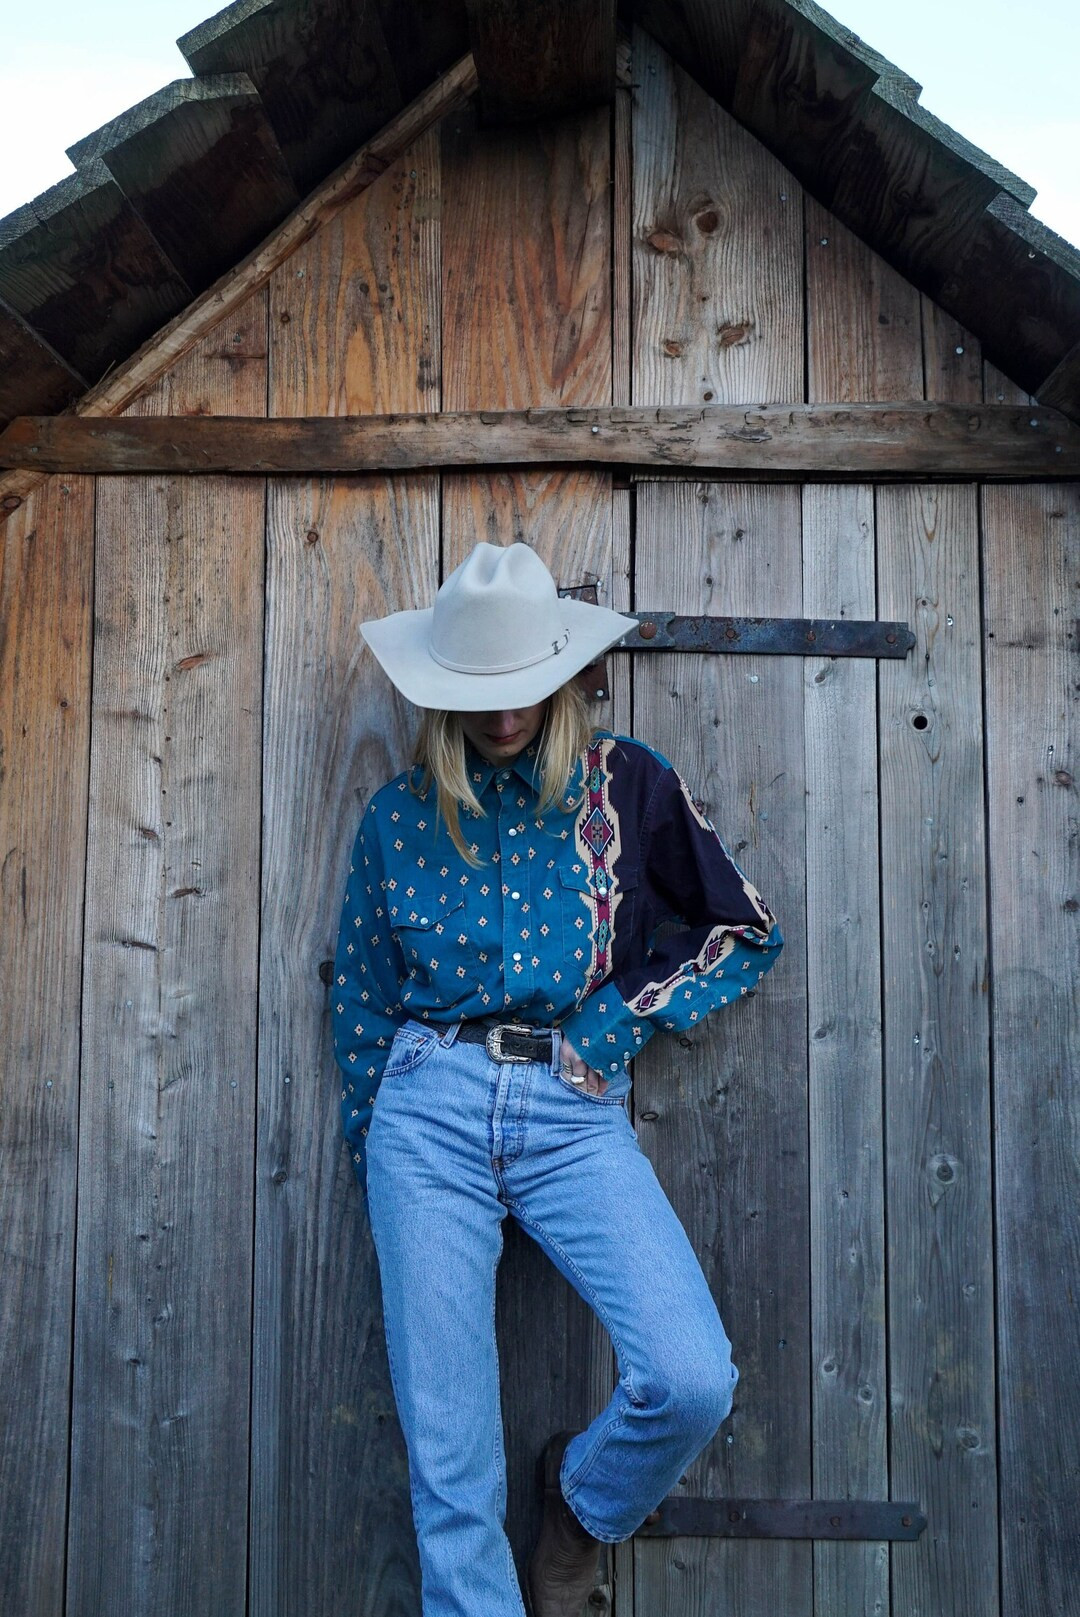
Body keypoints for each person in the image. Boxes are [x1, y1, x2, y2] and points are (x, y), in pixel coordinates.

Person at [331, 541, 784, 1617]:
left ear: (563, 672)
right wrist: (378, 1138)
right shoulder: (397, 819)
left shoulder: (631, 784)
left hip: (572, 1112)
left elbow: (746, 930)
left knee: (689, 1378)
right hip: (424, 1115)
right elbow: (358, 997)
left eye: (524, 692)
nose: (503, 721)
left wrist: (615, 1021)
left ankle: (580, 1510)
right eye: (479, 699)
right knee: (452, 1475)